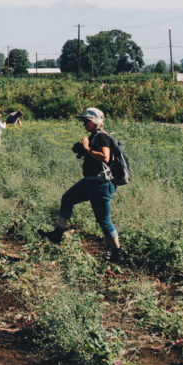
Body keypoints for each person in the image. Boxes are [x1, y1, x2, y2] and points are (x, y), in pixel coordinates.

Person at [40, 107, 123, 262]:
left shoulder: (102, 137)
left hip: (101, 184)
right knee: (67, 198)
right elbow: (93, 155)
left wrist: (86, 148)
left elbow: (105, 157)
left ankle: (117, 253)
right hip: (90, 182)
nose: (84, 124)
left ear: (94, 122)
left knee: (104, 220)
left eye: (86, 121)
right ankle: (57, 234)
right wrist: (83, 150)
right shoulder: (94, 137)